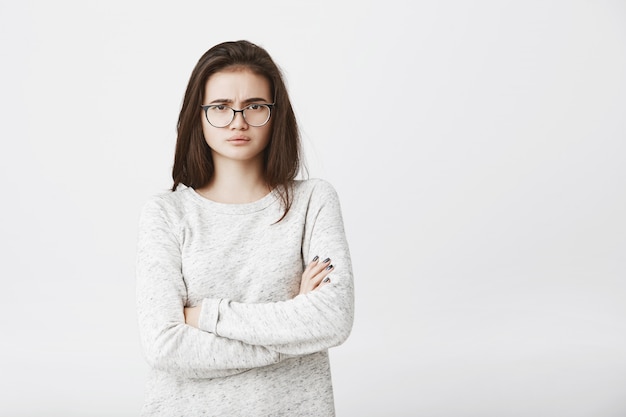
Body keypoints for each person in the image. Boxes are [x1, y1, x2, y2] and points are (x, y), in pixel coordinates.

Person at [135, 40, 354, 416]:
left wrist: (206, 316)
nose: (238, 121)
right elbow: (165, 346)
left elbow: (332, 320)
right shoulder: (167, 213)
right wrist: (295, 322)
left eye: (255, 106)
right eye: (220, 107)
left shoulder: (313, 201)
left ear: (275, 113)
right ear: (198, 114)